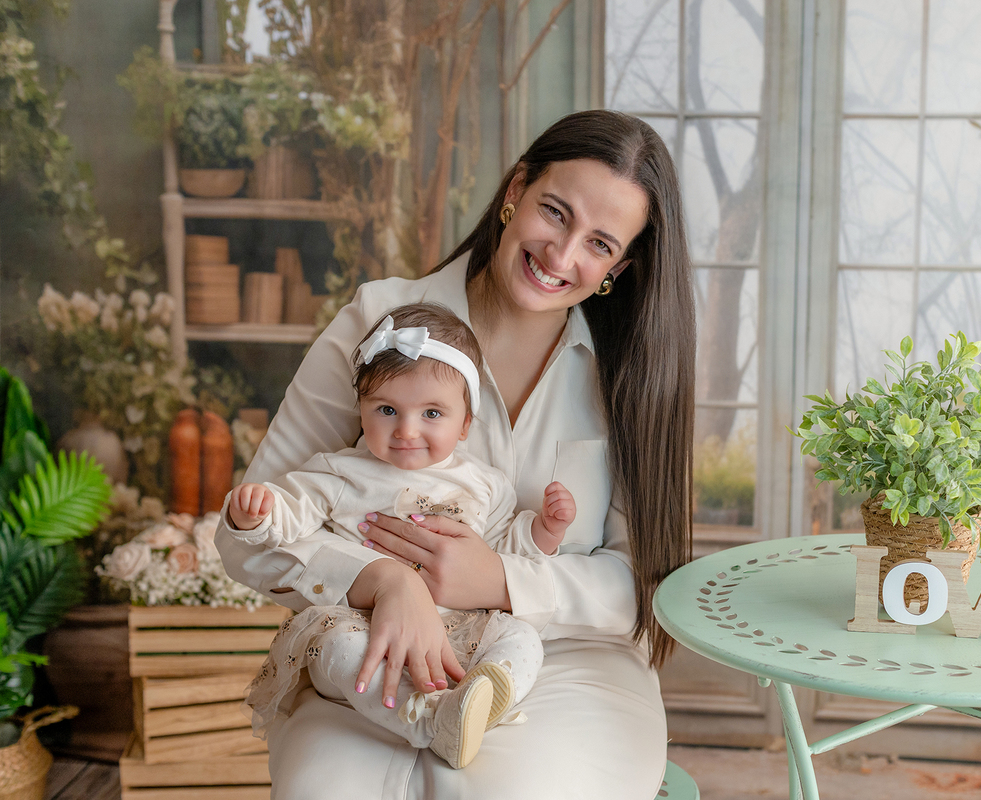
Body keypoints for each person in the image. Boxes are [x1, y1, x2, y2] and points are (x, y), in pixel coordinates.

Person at [215, 108, 695, 799]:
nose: (561, 257)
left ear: (620, 265)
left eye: (598, 242)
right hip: (370, 641)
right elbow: (248, 538)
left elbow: (645, 587)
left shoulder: (630, 378)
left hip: (563, 658)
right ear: (515, 192)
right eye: (554, 213)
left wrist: (499, 581)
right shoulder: (377, 322)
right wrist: (383, 581)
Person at [225, 303, 573, 769]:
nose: (407, 430)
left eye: (432, 413)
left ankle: (482, 693)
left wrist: (544, 532)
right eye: (387, 409)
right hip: (365, 629)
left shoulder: (484, 484)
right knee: (335, 649)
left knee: (523, 637)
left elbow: (503, 553)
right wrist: (258, 513)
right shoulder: (341, 472)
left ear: (465, 423)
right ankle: (430, 722)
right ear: (362, 409)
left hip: (460, 632)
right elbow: (291, 514)